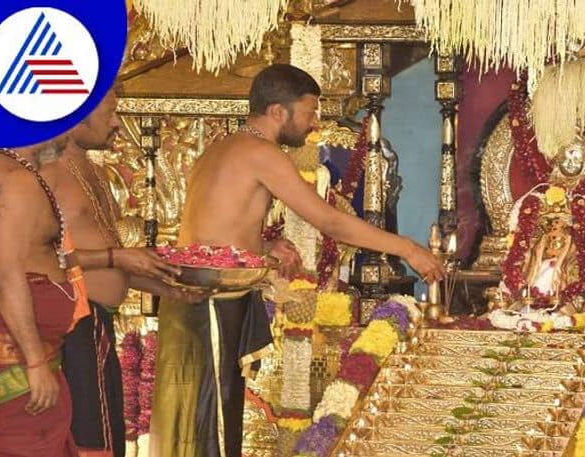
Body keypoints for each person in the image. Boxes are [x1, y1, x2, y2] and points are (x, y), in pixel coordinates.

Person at [150, 64, 444, 457]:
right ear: (278, 112)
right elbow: (328, 221)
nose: (314, 124)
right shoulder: (261, 152)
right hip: (211, 303)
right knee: (210, 426)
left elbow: (214, 230)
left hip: (192, 299)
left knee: (192, 421)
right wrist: (406, 247)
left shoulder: (221, 146)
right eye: (309, 113)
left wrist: (263, 250)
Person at [49, 91, 203, 457]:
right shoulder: (45, 174)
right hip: (70, 326)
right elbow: (35, 259)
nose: (117, 123)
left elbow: (113, 263)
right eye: (111, 112)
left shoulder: (94, 173)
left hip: (98, 324)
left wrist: (169, 286)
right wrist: (117, 255)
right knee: (89, 440)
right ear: (77, 115)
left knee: (107, 436)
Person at [0, 137, 80, 456]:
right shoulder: (15, 181)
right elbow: (7, 274)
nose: (68, 132)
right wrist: (35, 363)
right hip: (15, 365)